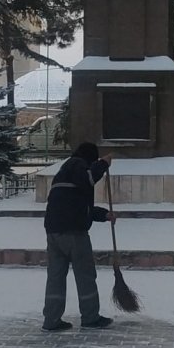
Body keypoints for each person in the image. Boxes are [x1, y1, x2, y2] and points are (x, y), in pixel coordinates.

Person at [43, 141, 115, 331]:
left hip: (54, 231)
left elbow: (78, 206)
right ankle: (90, 318)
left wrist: (104, 215)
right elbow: (89, 179)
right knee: (85, 275)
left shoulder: (65, 171)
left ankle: (51, 320)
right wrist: (103, 164)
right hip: (74, 232)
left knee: (56, 277)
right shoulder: (78, 165)